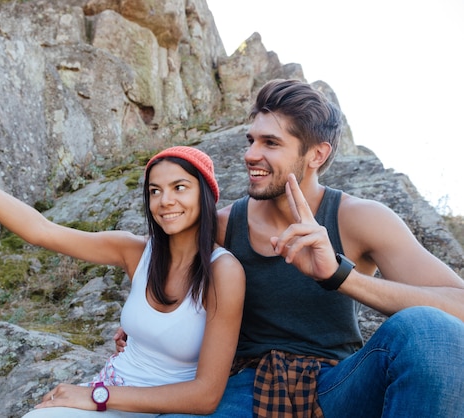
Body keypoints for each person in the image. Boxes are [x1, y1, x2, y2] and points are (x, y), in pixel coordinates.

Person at [116, 79, 464, 417]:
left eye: (270, 142)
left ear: (316, 154)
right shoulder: (223, 225)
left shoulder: (359, 219)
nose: (251, 154)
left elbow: (458, 307)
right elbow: (156, 259)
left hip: (337, 386)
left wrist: (340, 276)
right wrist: (144, 320)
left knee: (432, 330)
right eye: (251, 139)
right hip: (246, 386)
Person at [0, 110, 246, 417]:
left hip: (139, 403)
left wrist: (95, 397)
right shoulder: (136, 251)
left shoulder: (223, 272)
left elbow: (206, 395)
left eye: (180, 187)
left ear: (205, 195)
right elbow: (42, 231)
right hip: (108, 391)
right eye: (155, 191)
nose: (165, 201)